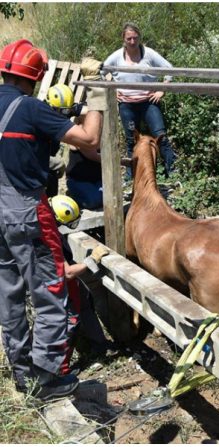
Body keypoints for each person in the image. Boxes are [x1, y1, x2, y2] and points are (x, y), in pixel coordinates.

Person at [0, 39, 105, 399]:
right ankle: (47, 379)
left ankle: (22, 374)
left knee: (9, 294)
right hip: (25, 210)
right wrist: (96, 96)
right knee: (51, 290)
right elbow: (90, 139)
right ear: (36, 76)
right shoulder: (31, 109)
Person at [102, 22, 177, 178]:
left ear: (139, 37)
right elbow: (103, 70)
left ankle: (172, 171)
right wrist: (113, 89)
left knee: (160, 136)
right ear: (123, 38)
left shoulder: (148, 54)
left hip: (149, 102)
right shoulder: (117, 56)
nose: (132, 42)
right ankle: (132, 175)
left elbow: (169, 68)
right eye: (129, 38)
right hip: (127, 104)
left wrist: (161, 90)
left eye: (135, 38)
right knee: (131, 140)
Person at [50, 195, 112, 375]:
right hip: (58, 286)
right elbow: (67, 272)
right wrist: (91, 260)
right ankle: (60, 370)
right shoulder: (47, 236)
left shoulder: (51, 226)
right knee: (70, 321)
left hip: (69, 284)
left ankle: (99, 345)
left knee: (86, 303)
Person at [45, 84, 104, 210]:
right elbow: (92, 154)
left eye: (67, 111)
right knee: (94, 201)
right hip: (43, 162)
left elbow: (93, 110)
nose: (63, 115)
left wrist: (74, 109)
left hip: (90, 178)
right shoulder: (43, 117)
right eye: (61, 111)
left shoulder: (65, 112)